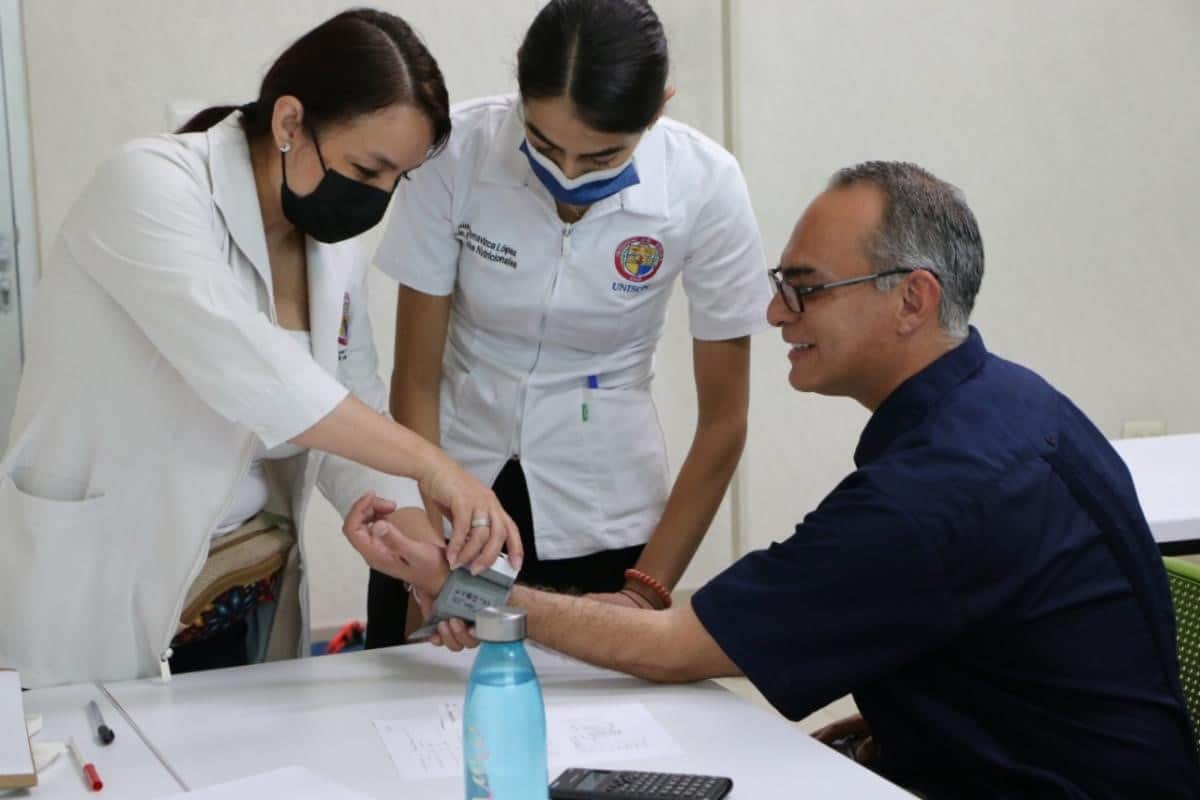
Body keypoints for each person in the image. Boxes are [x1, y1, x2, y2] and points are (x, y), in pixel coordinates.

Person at [348, 161, 1200, 798]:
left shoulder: (939, 488)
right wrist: (903, 712)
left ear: (912, 299)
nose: (775, 314)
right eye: (779, 285)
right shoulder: (1008, 403)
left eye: (806, 289)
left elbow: (680, 648)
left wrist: (461, 588)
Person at [0, 9, 520, 690]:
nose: (379, 198)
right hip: (106, 593)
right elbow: (265, 383)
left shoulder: (330, 252)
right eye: (368, 168)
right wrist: (438, 466)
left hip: (245, 591)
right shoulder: (147, 188)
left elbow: (350, 418)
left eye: (402, 178)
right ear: (289, 123)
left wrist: (425, 556)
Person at [367, 0, 771, 646]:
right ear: (520, 94)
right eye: (546, 145)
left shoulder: (706, 185)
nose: (568, 174)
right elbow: (414, 379)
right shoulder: (457, 155)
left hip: (603, 510)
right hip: (447, 489)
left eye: (603, 157)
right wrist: (432, 543)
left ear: (658, 108)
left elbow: (725, 421)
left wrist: (647, 591)